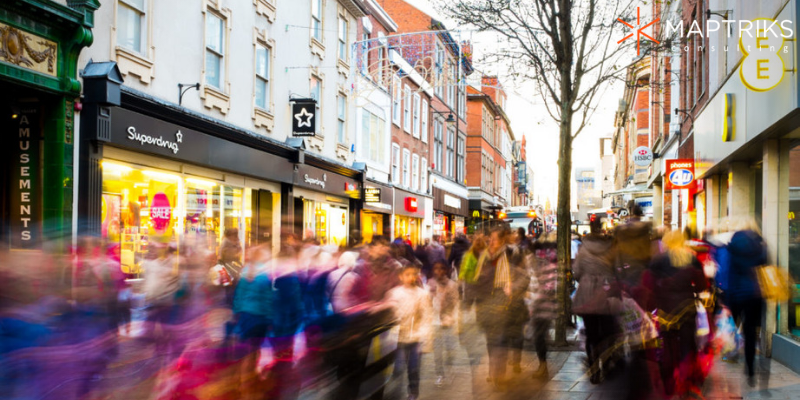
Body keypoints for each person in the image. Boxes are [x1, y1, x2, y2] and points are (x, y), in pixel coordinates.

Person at [643, 230, 708, 397]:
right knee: (687, 343)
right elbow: (702, 285)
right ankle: (686, 380)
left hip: (665, 309)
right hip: (687, 308)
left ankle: (669, 378)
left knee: (667, 342)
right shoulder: (691, 259)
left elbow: (648, 285)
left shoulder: (658, 261)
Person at [572, 218, 617, 384]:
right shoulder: (610, 248)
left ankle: (594, 370)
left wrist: (587, 278)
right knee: (607, 331)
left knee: (591, 334)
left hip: (587, 296)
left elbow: (576, 272)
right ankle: (606, 364)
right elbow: (616, 269)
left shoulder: (583, 249)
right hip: (606, 294)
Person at [725, 228, 767, 385]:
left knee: (730, 327)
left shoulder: (732, 250)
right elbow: (764, 266)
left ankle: (731, 351)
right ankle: (750, 369)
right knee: (750, 334)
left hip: (736, 295)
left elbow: (728, 274)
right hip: (755, 295)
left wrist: (727, 301)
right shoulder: (759, 249)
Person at [386, 264, 433, 400]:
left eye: (414, 274)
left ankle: (413, 392)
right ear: (401, 277)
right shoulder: (394, 293)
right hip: (398, 337)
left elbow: (426, 317)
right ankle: (396, 393)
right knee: (398, 368)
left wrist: (426, 339)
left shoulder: (422, 294)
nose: (411, 277)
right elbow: (390, 314)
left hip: (415, 338)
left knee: (413, 368)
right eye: (407, 274)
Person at [473, 228, 512, 390]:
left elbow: (519, 277)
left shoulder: (509, 255)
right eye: (490, 239)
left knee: (501, 340)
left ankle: (499, 374)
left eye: (494, 239)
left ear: (502, 241)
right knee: (491, 339)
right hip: (486, 302)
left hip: (503, 301)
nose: (491, 242)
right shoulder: (484, 256)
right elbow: (476, 279)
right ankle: (493, 370)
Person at [530, 235, 558, 379]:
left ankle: (543, 366)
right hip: (545, 305)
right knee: (539, 335)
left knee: (539, 336)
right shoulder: (552, 264)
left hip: (540, 305)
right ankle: (543, 365)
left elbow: (545, 286)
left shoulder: (539, 263)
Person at [427, 261, 459, 386]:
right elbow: (426, 300)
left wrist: (449, 315)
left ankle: (450, 368)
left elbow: (455, 302)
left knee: (450, 347)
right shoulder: (430, 283)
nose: (438, 271)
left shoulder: (452, 285)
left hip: (447, 321)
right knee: (437, 350)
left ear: (446, 270)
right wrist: (432, 294)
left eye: (441, 269)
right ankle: (440, 374)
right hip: (434, 322)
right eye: (436, 269)